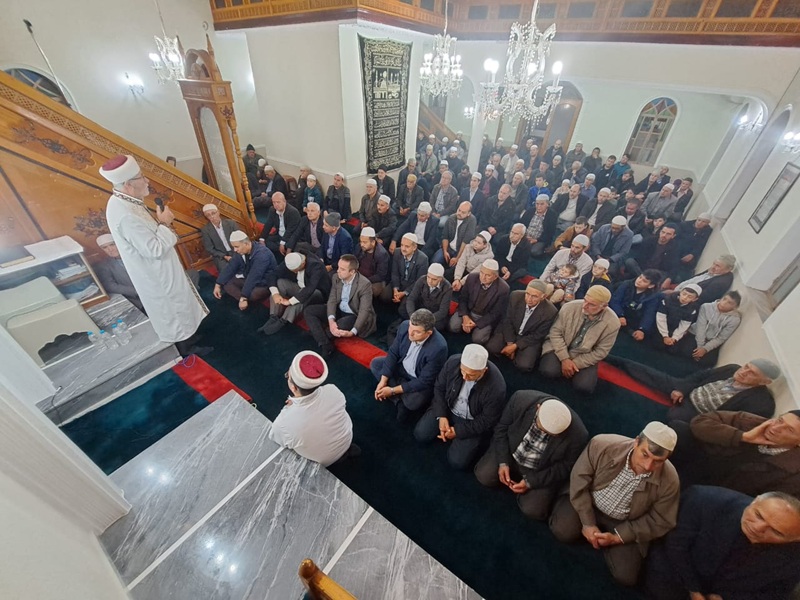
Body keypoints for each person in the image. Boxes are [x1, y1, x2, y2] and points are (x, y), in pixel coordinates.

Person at [100, 155, 209, 355]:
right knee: (174, 312)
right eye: (142, 177)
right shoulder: (125, 215)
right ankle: (186, 350)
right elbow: (154, 250)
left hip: (162, 270)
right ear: (128, 185)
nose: (147, 180)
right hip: (157, 277)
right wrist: (165, 223)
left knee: (182, 306)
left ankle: (190, 337)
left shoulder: (126, 201)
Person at [549, 422, 680, 586]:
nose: (648, 466)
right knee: (562, 531)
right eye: (645, 454)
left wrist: (618, 538)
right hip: (589, 502)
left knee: (626, 577)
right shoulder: (602, 445)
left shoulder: (671, 480)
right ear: (636, 442)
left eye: (658, 461)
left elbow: (661, 520)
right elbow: (579, 479)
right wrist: (587, 523)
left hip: (626, 522)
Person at [644, 486, 800, 600]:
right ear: (755, 501)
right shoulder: (703, 499)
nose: (757, 528)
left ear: (794, 539)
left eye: (776, 531)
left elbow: (775, 593)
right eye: (758, 515)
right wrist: (694, 590)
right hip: (669, 579)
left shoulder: (795, 557)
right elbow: (674, 545)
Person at [475, 393, 588, 520]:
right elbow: (501, 429)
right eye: (541, 428)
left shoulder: (579, 435)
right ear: (538, 408)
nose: (543, 432)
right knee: (484, 476)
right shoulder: (519, 400)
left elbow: (565, 467)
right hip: (511, 452)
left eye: (549, 433)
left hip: (541, 469)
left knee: (534, 510)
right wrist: (503, 462)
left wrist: (531, 482)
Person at [414, 344, 508, 470]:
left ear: (484, 371)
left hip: (471, 420)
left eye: (471, 375)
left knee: (457, 462)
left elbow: (487, 420)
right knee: (420, 434)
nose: (464, 377)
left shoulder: (496, 388)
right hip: (449, 407)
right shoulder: (453, 362)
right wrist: (441, 415)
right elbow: (439, 388)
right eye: (462, 371)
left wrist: (458, 431)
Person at [607, 357, 779, 422]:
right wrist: (682, 390)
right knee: (648, 373)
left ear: (765, 381)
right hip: (689, 390)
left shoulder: (761, 403)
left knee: (674, 418)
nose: (743, 371)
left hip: (698, 413)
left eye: (751, 373)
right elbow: (700, 376)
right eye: (746, 366)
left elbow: (728, 423)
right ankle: (610, 359)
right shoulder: (732, 368)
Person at [680, 408, 800, 497]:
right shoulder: (753, 422)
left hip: (719, 493)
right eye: (779, 421)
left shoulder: (792, 472)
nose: (775, 428)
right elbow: (700, 421)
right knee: (679, 428)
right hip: (701, 461)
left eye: (789, 430)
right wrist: (742, 436)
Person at [269, 351, 354, 467]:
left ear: (293, 388)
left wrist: (288, 409)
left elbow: (275, 437)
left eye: (287, 376)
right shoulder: (333, 390)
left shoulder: (283, 423)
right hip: (347, 441)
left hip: (324, 462)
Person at [538, 286, 621, 393]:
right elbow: (555, 332)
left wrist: (575, 364)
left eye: (592, 304)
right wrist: (564, 358)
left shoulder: (613, 323)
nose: (585, 306)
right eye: (585, 300)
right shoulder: (569, 307)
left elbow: (601, 352)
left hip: (584, 355)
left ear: (604, 306)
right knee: (549, 371)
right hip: (558, 347)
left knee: (584, 386)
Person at [370, 309, 449, 420]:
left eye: (417, 332)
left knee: (414, 402)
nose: (410, 334)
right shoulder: (404, 326)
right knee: (376, 364)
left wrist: (392, 391)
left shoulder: (439, 348)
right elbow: (393, 353)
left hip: (418, 377)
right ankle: (399, 401)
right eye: (410, 327)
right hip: (402, 366)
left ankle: (396, 392)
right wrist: (383, 381)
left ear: (428, 333)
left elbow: (424, 381)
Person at [304, 254, 377, 357]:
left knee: (340, 325)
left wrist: (352, 332)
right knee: (309, 311)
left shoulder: (365, 284)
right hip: (340, 308)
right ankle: (326, 343)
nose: (338, 271)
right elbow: (332, 300)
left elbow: (364, 311)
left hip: (354, 314)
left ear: (352, 272)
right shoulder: (336, 277)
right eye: (338, 267)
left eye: (342, 269)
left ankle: (319, 334)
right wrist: (331, 320)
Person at [486, 280, 558, 373]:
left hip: (529, 338)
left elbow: (538, 335)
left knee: (524, 365)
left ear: (543, 297)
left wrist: (515, 346)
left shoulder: (550, 312)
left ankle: (514, 355)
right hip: (511, 330)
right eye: (527, 294)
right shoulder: (515, 296)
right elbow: (507, 320)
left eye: (534, 296)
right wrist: (510, 343)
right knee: (492, 348)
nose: (529, 299)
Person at [260, 250, 331, 335]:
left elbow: (310, 288)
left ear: (303, 264)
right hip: (299, 286)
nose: (295, 272)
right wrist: (275, 294)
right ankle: (274, 316)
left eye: (296, 270)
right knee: (280, 283)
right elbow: (273, 275)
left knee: (302, 295)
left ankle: (284, 320)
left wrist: (290, 301)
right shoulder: (292, 258)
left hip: (317, 292)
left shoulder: (316, 265)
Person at [449, 259, 510, 344]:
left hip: (484, 317)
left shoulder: (503, 289)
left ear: (495, 277)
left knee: (478, 339)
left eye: (488, 275)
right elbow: (463, 299)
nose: (483, 277)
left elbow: (495, 313)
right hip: (469, 311)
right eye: (481, 273)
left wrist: (475, 324)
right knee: (453, 326)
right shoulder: (472, 277)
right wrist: (465, 317)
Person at [213, 230, 277, 309]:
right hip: (247, 277)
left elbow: (254, 276)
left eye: (236, 247)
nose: (235, 250)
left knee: (253, 295)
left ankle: (245, 297)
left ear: (246, 244)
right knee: (226, 283)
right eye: (234, 247)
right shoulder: (241, 251)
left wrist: (244, 297)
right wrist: (218, 284)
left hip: (263, 283)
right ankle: (245, 296)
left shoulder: (262, 254)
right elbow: (230, 267)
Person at [680, 291, 742, 366]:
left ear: (735, 307)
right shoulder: (706, 307)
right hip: (695, 334)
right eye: (724, 299)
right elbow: (701, 327)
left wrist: (705, 349)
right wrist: (700, 346)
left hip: (711, 340)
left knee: (708, 362)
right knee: (686, 351)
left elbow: (722, 337)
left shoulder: (734, 319)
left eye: (730, 303)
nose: (724, 303)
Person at [94, 234, 145, 312]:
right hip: (137, 301)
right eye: (105, 247)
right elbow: (110, 286)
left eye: (112, 244)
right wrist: (136, 291)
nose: (110, 249)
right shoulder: (104, 266)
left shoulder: (135, 255)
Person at [609, 269, 663, 342]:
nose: (639, 281)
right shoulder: (626, 284)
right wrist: (620, 315)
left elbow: (649, 314)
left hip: (633, 321)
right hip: (617, 315)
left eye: (644, 281)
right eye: (640, 277)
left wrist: (642, 329)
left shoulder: (653, 296)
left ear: (651, 286)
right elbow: (615, 301)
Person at [382, 232, 429, 305]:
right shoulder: (397, 252)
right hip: (399, 283)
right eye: (402, 245)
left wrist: (404, 293)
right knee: (384, 296)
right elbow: (395, 273)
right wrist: (395, 289)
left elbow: (419, 282)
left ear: (414, 247)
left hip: (412, 287)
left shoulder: (423, 259)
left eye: (407, 246)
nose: (403, 249)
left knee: (405, 305)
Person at [403, 263, 452, 330]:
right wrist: (412, 315)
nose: (430, 281)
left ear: (440, 279)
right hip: (420, 309)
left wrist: (425, 320)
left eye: (434, 279)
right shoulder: (422, 279)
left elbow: (443, 311)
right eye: (428, 277)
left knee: (438, 325)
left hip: (434, 313)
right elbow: (411, 298)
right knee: (403, 307)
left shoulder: (447, 288)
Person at [654, 283, 700, 352]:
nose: (685, 297)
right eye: (684, 294)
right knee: (657, 345)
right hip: (660, 327)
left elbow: (684, 325)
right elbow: (661, 318)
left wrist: (675, 338)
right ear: (680, 292)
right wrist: (665, 335)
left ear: (695, 299)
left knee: (673, 349)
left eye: (689, 297)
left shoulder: (692, 309)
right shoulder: (667, 300)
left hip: (674, 330)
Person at [433, 201, 477, 267]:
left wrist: (457, 258)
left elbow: (466, 241)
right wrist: (445, 251)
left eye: (463, 212)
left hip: (461, 251)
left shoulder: (472, 220)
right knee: (435, 261)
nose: (459, 213)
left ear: (469, 214)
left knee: (454, 268)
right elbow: (445, 236)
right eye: (459, 210)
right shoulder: (451, 218)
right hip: (448, 248)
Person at [199, 204, 237, 272]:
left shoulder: (231, 223)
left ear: (218, 212)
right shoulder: (206, 230)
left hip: (236, 250)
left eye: (213, 213)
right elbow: (209, 248)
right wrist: (225, 256)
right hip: (221, 256)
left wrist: (237, 251)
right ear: (206, 217)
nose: (212, 216)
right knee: (226, 272)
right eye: (208, 215)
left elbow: (240, 238)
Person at [261, 192, 301, 257]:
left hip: (290, 238)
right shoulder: (272, 210)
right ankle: (280, 250)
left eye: (278, 202)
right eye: (274, 202)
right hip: (279, 235)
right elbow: (268, 224)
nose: (276, 205)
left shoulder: (293, 212)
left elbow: (290, 231)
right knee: (266, 241)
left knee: (291, 246)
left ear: (284, 201)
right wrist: (262, 238)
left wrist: (282, 243)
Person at [354, 227, 390, 297]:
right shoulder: (359, 247)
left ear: (373, 242)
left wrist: (363, 280)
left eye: (365, 242)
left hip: (374, 280)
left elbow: (380, 276)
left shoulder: (381, 254)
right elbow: (355, 261)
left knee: (367, 290)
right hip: (359, 276)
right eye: (361, 241)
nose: (362, 244)